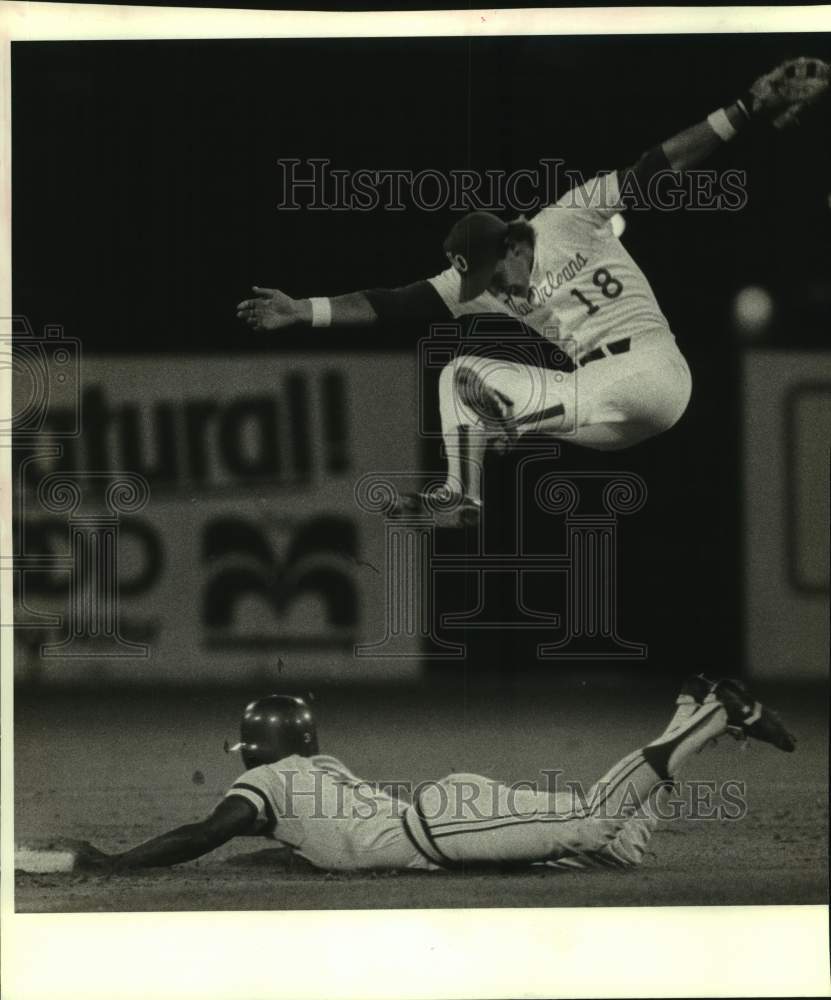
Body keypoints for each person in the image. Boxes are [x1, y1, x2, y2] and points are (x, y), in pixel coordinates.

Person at [236, 57, 828, 527]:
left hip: (655, 374)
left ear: (513, 245)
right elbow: (386, 302)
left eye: (491, 274)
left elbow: (656, 164)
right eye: (477, 282)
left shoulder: (566, 217)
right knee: (459, 375)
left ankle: (510, 426)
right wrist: (303, 310)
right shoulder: (477, 285)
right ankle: (460, 495)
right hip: (602, 416)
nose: (488, 289)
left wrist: (747, 107)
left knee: (539, 401)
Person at [71, 678, 794, 875]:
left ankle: (709, 720)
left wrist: (117, 863)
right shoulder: (316, 772)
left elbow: (206, 832)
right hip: (448, 813)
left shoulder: (269, 785)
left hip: (442, 826)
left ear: (255, 749)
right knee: (615, 847)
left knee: (594, 822)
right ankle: (686, 706)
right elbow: (301, 840)